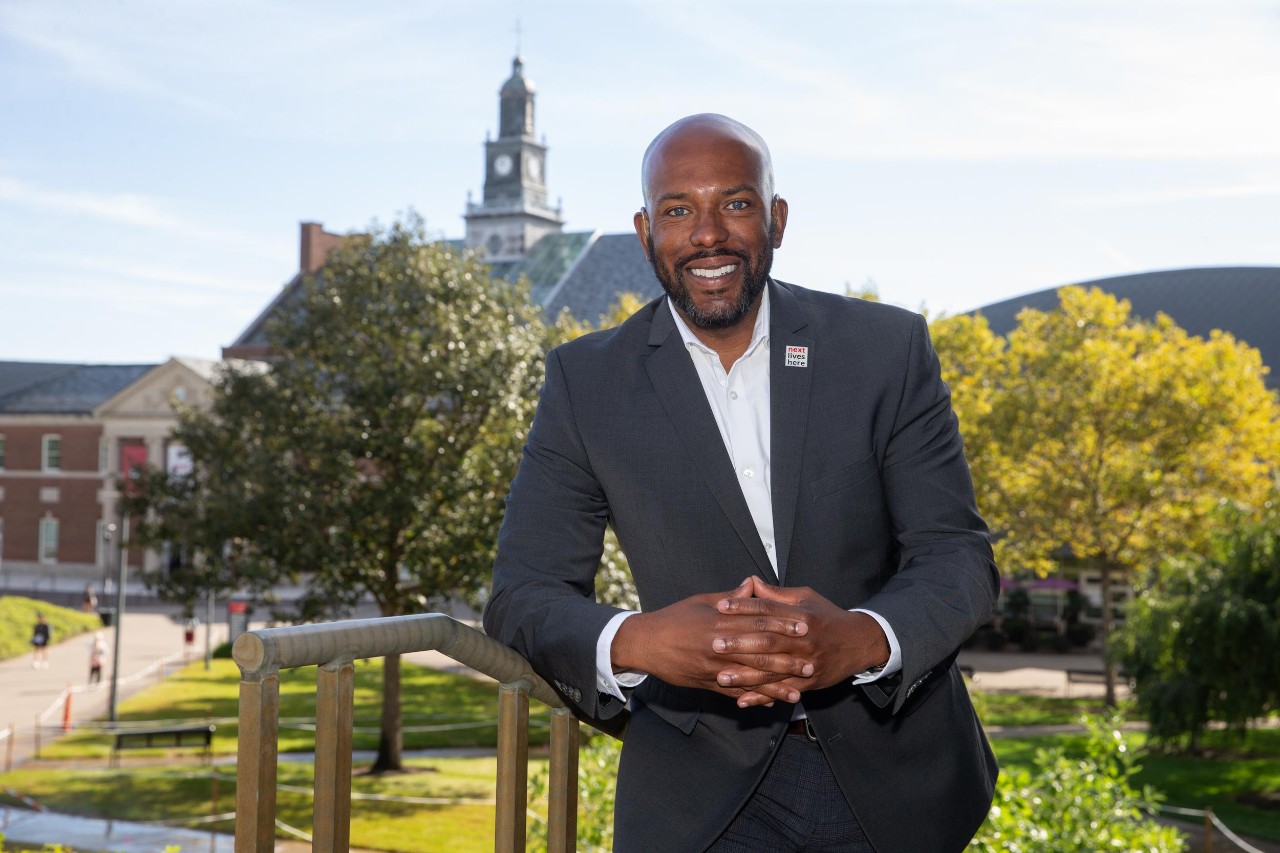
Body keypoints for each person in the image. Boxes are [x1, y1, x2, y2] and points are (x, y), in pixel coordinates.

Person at [483, 114, 999, 853]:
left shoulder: (886, 350)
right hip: (702, 795)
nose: (707, 234)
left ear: (776, 218)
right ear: (644, 231)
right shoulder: (585, 382)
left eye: (735, 202)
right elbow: (521, 595)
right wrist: (639, 640)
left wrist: (861, 639)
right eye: (677, 210)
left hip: (896, 779)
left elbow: (958, 557)